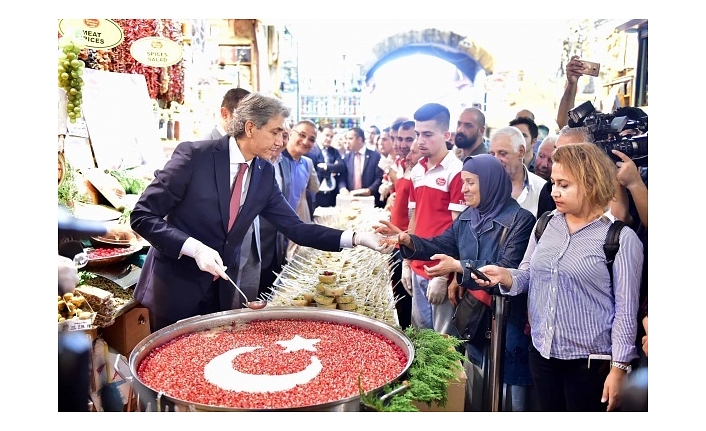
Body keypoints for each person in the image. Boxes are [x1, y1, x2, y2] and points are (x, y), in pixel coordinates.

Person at [131, 93, 392, 332]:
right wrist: (195, 249)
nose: (281, 142)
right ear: (250, 127)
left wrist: (357, 237)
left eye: (284, 133)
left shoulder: (263, 173)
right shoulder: (195, 156)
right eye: (275, 132)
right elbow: (143, 216)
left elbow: (297, 228)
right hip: (173, 291)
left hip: (219, 293)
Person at [474, 143, 644, 412]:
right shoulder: (545, 223)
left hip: (590, 365)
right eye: (553, 183)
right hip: (541, 355)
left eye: (564, 185)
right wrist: (505, 276)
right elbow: (527, 275)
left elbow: (626, 310)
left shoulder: (620, 238)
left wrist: (619, 367)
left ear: (590, 183)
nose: (554, 191)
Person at [376, 154, 536, 412]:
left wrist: (459, 266)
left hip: (507, 323)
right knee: (477, 387)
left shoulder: (521, 220)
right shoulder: (468, 216)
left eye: (471, 183)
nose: (464, 190)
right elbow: (441, 244)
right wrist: (408, 240)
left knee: (508, 397)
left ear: (490, 183)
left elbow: (508, 270)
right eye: (463, 182)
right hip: (477, 319)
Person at [406, 103, 465, 334]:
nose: (420, 141)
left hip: (441, 269)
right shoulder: (417, 170)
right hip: (417, 264)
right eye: (417, 134)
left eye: (428, 134)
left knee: (442, 340)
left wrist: (445, 275)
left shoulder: (456, 171)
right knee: (420, 334)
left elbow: (459, 227)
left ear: (446, 135)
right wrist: (407, 261)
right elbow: (414, 218)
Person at [203, 87, 260, 302]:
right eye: (244, 117)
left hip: (246, 249)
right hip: (208, 260)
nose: (249, 126)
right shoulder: (200, 150)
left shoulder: (254, 158)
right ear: (225, 114)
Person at [488, 126, 546, 217]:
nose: (496, 159)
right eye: (492, 154)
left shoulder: (543, 189)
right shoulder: (482, 187)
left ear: (521, 152)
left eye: (502, 154)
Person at [338, 127, 384, 205]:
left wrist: (370, 190)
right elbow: (342, 176)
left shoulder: (375, 156)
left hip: (369, 200)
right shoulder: (347, 157)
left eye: (350, 139)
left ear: (359, 139)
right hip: (350, 199)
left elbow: (379, 177)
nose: (347, 142)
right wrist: (342, 188)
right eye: (347, 139)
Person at [312, 124, 344, 208]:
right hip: (316, 193)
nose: (329, 139)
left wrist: (326, 166)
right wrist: (333, 168)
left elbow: (341, 166)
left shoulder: (334, 151)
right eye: (327, 135)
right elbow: (316, 169)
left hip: (331, 194)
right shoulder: (311, 150)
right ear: (319, 133)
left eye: (331, 136)